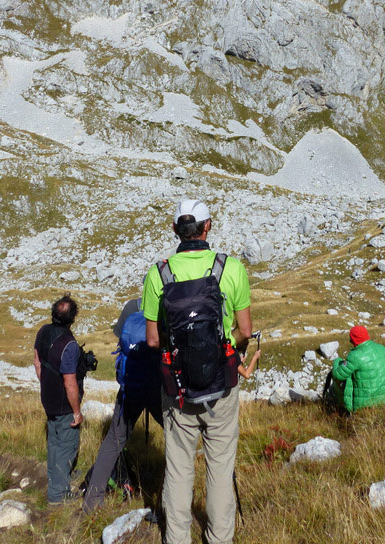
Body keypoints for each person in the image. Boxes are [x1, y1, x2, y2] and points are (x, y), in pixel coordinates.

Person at [142, 199, 252, 544]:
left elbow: (151, 340)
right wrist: (225, 348)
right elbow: (245, 330)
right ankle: (219, 538)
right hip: (223, 385)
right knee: (220, 467)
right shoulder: (230, 268)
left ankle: (176, 539)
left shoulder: (159, 273)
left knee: (178, 468)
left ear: (176, 230)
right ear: (208, 227)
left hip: (177, 389)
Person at [82, 300, 163, 513]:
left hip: (131, 387)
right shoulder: (168, 306)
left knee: (114, 440)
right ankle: (169, 502)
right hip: (159, 386)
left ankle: (91, 503)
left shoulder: (131, 307)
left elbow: (122, 343)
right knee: (177, 439)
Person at [34, 295, 84, 505]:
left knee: (54, 439)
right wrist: (77, 411)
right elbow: (70, 383)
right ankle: (58, 494)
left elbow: (37, 362)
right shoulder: (69, 345)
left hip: (47, 395)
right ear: (73, 319)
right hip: (64, 403)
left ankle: (60, 475)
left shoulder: (43, 331)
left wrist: (46, 383)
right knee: (67, 442)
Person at [330, 325, 385, 413]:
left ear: (354, 340)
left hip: (367, 404)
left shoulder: (355, 356)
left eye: (351, 339)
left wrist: (337, 362)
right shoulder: (382, 348)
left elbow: (338, 375)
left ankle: (342, 409)